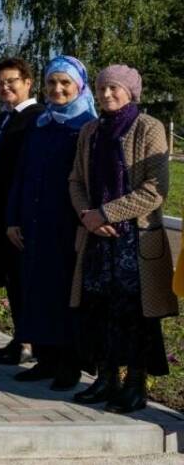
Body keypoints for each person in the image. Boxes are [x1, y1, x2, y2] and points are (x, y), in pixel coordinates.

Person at [69, 65, 176, 414]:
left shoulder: (149, 128)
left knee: (134, 313)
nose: (106, 94)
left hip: (135, 240)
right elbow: (76, 181)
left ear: (130, 92)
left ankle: (135, 384)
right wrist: (88, 216)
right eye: (100, 88)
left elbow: (155, 191)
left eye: (114, 88)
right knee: (98, 308)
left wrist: (106, 213)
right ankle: (106, 378)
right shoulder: (90, 131)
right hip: (97, 238)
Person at [6, 55, 95, 390]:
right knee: (36, 289)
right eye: (52, 83)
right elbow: (21, 173)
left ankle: (69, 364)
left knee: (63, 294)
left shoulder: (85, 126)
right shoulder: (40, 124)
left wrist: (82, 222)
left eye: (65, 83)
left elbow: (88, 181)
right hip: (33, 220)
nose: (57, 89)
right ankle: (44, 358)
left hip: (66, 223)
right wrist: (13, 218)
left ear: (79, 86)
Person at [0, 58, 44, 364]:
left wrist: (15, 216)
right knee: (9, 278)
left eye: (11, 81)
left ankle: (29, 341)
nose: (5, 87)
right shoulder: (5, 118)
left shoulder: (35, 117)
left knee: (22, 280)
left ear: (28, 82)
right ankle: (20, 337)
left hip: (17, 212)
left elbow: (27, 172)